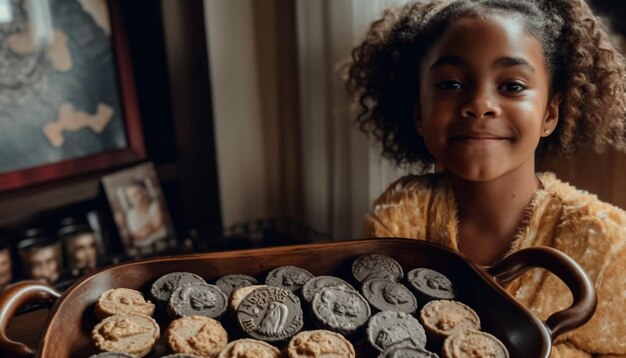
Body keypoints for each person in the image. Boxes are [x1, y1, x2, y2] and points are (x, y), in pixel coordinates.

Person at [346, 0, 626, 356]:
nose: (479, 104)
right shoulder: (401, 216)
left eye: (511, 87)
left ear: (550, 114)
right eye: (450, 84)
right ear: (419, 112)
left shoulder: (608, 245)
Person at [124, 179, 167, 249]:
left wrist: (148, 229)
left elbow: (156, 225)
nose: (133, 199)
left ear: (144, 192)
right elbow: (135, 235)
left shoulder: (155, 206)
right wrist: (150, 226)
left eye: (136, 194)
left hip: (162, 245)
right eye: (130, 197)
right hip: (143, 250)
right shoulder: (130, 214)